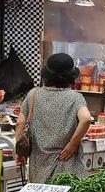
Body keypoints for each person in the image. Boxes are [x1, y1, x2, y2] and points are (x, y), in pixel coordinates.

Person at [14, 53, 92, 184]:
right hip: (66, 164)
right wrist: (72, 144)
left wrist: (19, 150)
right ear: (71, 77)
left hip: (38, 165)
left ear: (46, 75)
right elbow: (86, 119)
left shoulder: (34, 94)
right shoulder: (75, 97)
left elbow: (20, 123)